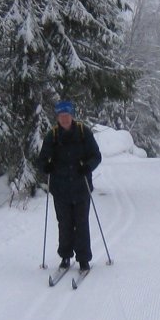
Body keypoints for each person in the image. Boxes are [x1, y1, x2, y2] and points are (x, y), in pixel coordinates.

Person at [35, 99, 102, 272]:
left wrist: (87, 166)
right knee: (64, 223)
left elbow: (96, 155)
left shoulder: (83, 132)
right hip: (60, 187)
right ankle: (65, 256)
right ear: (57, 117)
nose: (64, 119)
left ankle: (83, 259)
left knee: (81, 223)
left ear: (72, 115)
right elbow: (42, 159)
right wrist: (46, 166)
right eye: (61, 116)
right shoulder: (53, 135)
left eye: (67, 116)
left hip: (81, 186)